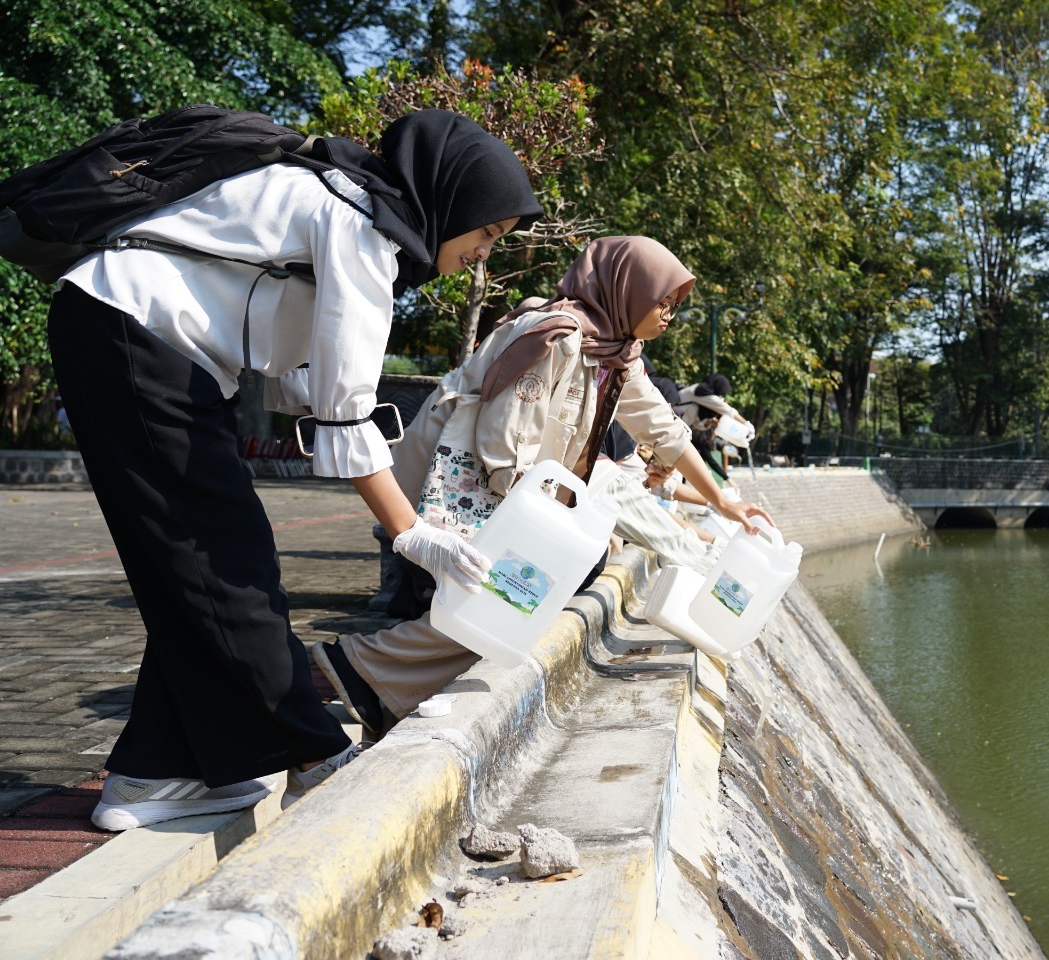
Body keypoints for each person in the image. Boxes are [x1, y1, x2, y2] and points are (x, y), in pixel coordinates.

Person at [50, 109, 543, 830]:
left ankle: (156, 771)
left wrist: (406, 509)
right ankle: (316, 754)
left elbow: (305, 383)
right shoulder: (361, 223)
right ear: (454, 200)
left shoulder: (346, 201)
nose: (484, 255)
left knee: (196, 563)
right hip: (136, 335)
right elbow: (344, 408)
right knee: (227, 560)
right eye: (488, 234)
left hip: (132, 337)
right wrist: (411, 534)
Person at [312, 236, 770, 733]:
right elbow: (501, 443)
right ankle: (341, 672)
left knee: (512, 597)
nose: (667, 317)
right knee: (509, 593)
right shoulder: (554, 335)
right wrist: (545, 526)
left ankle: (357, 677)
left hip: (508, 489)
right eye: (663, 302)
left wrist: (723, 501)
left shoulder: (615, 351)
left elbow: (663, 428)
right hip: (459, 481)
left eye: (673, 308)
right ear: (627, 289)